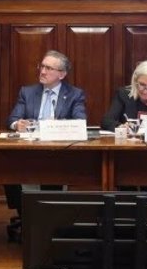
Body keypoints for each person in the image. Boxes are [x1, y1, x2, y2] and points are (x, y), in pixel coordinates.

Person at [5, 50, 86, 220]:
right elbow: (12, 119)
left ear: (62, 74)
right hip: (28, 150)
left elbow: (80, 122)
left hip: (57, 153)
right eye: (42, 66)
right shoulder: (27, 92)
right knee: (8, 169)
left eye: (49, 68)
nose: (42, 71)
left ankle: (51, 219)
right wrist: (17, 124)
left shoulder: (74, 94)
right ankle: (27, 217)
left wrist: (57, 127)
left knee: (53, 172)